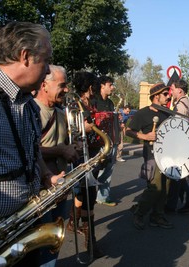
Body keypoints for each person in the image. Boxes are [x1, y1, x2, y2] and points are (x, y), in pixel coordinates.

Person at [0, 21, 63, 267]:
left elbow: (32, 150)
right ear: (25, 56)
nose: (47, 71)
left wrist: (45, 174)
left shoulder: (30, 105)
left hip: (24, 226)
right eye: (45, 60)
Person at [34, 65, 80, 267]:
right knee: (40, 243)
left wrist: (74, 147)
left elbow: (65, 145)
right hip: (41, 189)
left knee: (54, 240)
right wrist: (61, 150)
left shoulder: (61, 113)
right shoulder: (33, 111)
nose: (67, 89)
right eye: (62, 85)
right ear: (44, 85)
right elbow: (29, 150)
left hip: (60, 187)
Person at [66, 71, 104, 258]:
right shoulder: (74, 104)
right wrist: (85, 127)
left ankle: (79, 226)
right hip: (81, 155)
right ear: (89, 87)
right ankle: (90, 242)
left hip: (93, 153)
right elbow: (70, 131)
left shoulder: (91, 104)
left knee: (89, 194)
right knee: (86, 194)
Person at [126, 83, 174, 230]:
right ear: (156, 96)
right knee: (155, 187)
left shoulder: (167, 113)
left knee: (165, 187)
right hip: (152, 154)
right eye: (165, 94)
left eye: (168, 94)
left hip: (167, 155)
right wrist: (145, 136)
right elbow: (128, 131)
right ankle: (139, 212)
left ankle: (157, 216)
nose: (168, 96)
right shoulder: (143, 113)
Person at [165, 79, 189, 213]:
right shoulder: (187, 101)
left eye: (172, 89)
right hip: (185, 144)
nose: (171, 92)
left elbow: (177, 126)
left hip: (179, 145)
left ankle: (170, 206)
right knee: (179, 176)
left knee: (176, 176)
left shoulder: (181, 105)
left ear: (179, 90)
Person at [93, 75, 118, 206]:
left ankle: (102, 196)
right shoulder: (94, 101)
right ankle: (90, 193)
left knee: (108, 168)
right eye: (110, 85)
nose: (112, 87)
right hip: (97, 141)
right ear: (102, 86)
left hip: (109, 140)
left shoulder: (110, 103)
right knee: (95, 169)